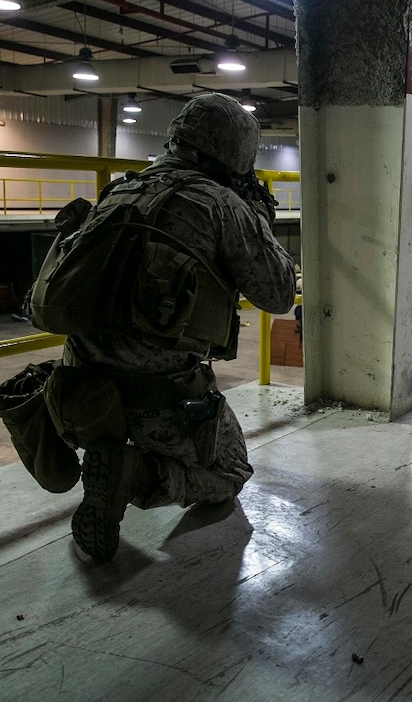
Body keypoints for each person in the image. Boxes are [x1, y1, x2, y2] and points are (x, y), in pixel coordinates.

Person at [46, 93, 296, 561]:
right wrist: (259, 219)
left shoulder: (119, 190)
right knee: (232, 472)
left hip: (80, 385)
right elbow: (278, 295)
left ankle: (109, 454)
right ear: (236, 154)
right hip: (157, 397)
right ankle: (134, 474)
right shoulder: (222, 203)